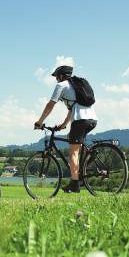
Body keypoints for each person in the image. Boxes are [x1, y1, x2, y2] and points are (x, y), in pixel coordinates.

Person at [34, 65, 97, 193]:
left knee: (73, 152)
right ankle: (86, 163)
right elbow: (72, 109)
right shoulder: (75, 86)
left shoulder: (61, 85)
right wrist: (63, 125)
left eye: (57, 76)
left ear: (61, 76)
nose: (56, 79)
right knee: (73, 141)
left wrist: (40, 122)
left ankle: (75, 184)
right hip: (92, 119)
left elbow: (50, 104)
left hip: (80, 120)